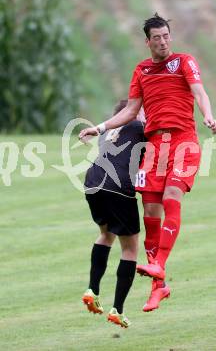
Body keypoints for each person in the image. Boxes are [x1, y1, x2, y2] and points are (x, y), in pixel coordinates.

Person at [79, 13, 216, 313]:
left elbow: (199, 91)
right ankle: (159, 287)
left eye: (167, 36)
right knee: (150, 213)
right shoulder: (141, 71)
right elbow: (131, 110)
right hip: (155, 146)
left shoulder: (184, 62)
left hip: (183, 140)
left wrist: (208, 114)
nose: (163, 41)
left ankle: (159, 266)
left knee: (171, 197)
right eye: (157, 38)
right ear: (148, 41)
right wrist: (100, 127)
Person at [82, 99, 145, 328]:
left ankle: (92, 289)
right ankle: (117, 309)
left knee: (106, 234)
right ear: (132, 114)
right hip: (118, 186)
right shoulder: (139, 127)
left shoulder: (106, 132)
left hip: (93, 181)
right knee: (130, 248)